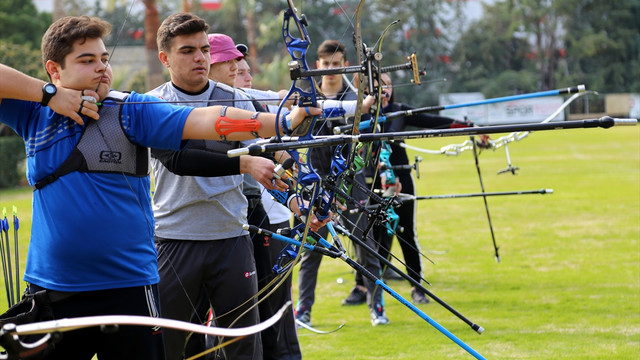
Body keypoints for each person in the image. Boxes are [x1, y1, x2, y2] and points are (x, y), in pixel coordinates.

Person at [0, 15, 317, 360]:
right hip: (55, 287)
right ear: (55, 69)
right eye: (87, 60)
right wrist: (49, 96)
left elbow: (205, 119)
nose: (101, 68)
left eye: (104, 59)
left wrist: (281, 121)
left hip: (129, 287)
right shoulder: (32, 114)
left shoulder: (130, 110)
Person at [148, 17, 288, 360]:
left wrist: (299, 196)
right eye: (188, 51)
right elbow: (178, 159)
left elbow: (270, 153)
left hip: (231, 238)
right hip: (173, 240)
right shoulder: (150, 104)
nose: (200, 58)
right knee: (165, 346)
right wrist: (244, 164)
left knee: (242, 346)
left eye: (205, 49)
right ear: (165, 58)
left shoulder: (237, 99)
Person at [352, 72, 470, 305]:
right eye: (377, 87)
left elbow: (434, 121)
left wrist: (469, 127)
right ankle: (362, 288)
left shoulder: (399, 110)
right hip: (370, 182)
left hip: (401, 180)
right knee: (370, 237)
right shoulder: (359, 115)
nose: (384, 91)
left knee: (405, 234)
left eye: (387, 85)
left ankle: (417, 287)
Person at [295, 39, 389, 327]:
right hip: (316, 181)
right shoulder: (306, 100)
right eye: (325, 64)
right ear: (317, 66)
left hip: (351, 181)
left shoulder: (359, 98)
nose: (331, 70)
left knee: (365, 246)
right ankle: (303, 310)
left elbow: (376, 137)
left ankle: (377, 308)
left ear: (345, 65)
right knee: (311, 249)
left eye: (336, 64)